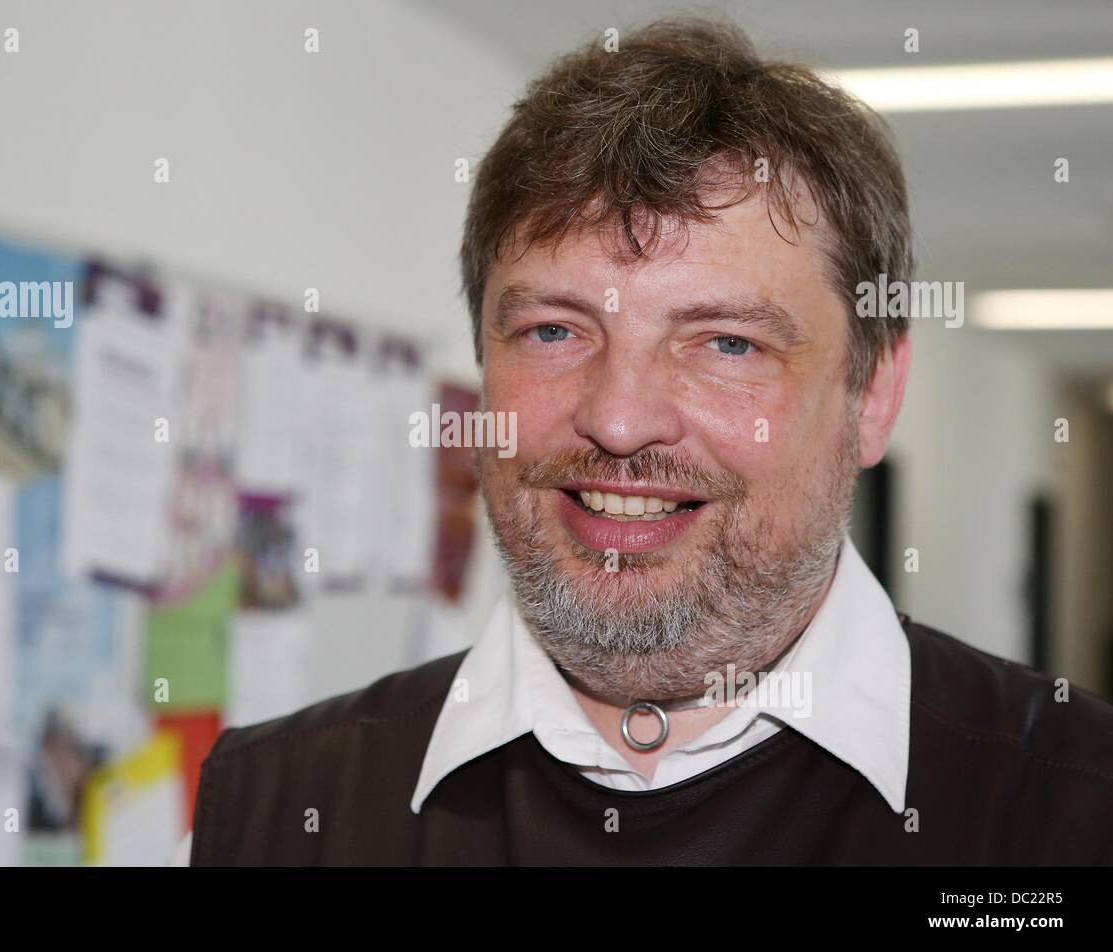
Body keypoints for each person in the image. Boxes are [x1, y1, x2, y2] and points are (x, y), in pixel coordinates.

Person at [178, 17, 1113, 865]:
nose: (619, 421)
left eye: (726, 343)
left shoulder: (1070, 811)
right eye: (554, 330)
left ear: (872, 393)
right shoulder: (270, 819)